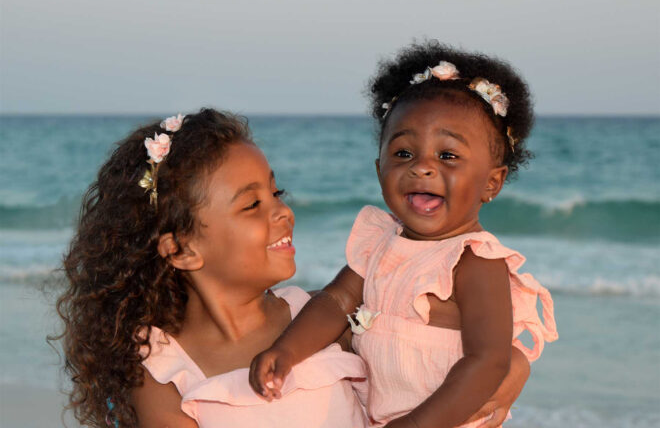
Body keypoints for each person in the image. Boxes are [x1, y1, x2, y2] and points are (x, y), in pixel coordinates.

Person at [55, 107, 531, 427]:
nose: (282, 212)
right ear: (181, 250)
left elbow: (423, 352)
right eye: (252, 205)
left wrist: (513, 366)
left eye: (276, 193)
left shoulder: (314, 321)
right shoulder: (163, 367)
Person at [250, 41, 558, 428]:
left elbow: (488, 361)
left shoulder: (474, 260)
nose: (422, 168)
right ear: (379, 169)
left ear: (491, 183)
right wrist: (286, 350)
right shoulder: (380, 242)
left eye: (447, 156)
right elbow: (334, 300)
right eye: (403, 154)